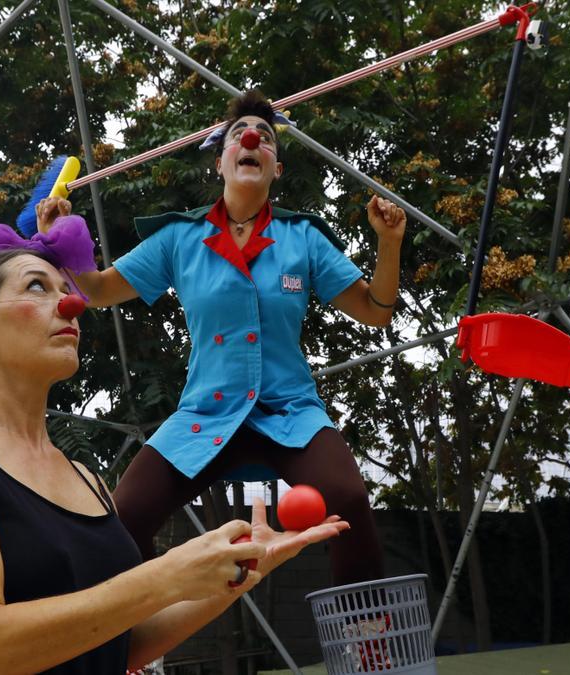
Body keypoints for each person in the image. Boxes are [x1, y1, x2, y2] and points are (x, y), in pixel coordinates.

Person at [0, 236, 347, 674]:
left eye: (67, 289)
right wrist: (164, 577)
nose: (72, 304)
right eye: (37, 287)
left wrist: (244, 570)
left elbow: (121, 641)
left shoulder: (87, 479)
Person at [47, 89, 405, 587]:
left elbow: (376, 311)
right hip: (205, 413)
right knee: (124, 513)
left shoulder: (302, 237)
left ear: (275, 169)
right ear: (221, 162)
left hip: (289, 410)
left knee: (347, 497)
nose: (252, 138)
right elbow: (99, 290)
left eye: (264, 139)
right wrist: (63, 239)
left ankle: (369, 643)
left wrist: (389, 244)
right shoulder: (180, 238)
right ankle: (132, 645)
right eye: (238, 135)